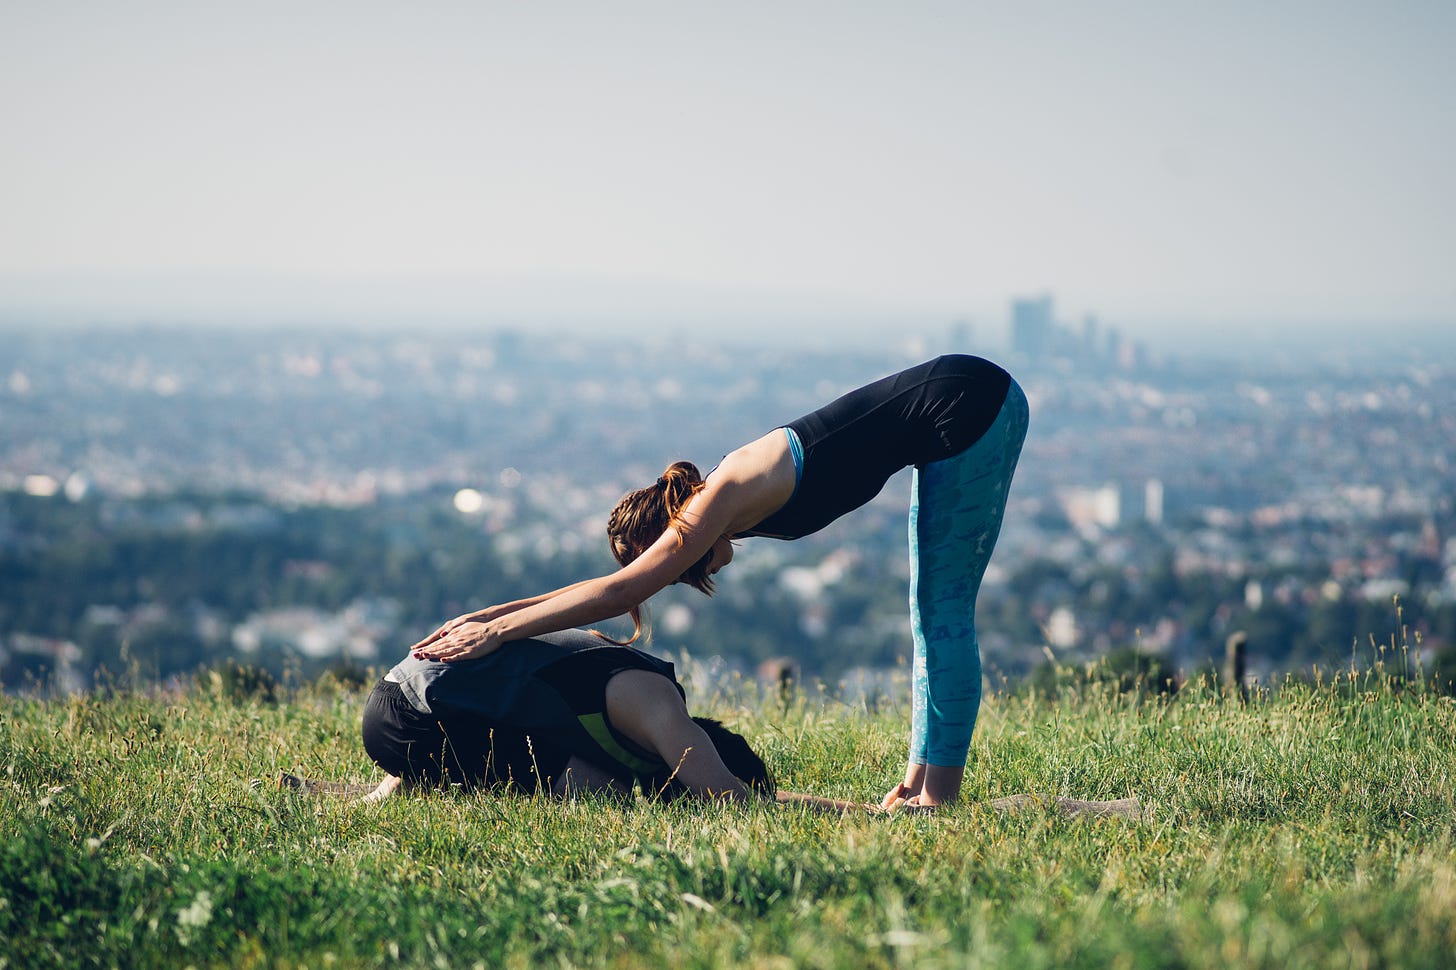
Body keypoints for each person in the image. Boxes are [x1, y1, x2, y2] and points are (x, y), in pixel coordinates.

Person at [411, 355, 1029, 809]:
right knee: (930, 614)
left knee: (943, 612)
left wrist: (497, 632)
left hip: (968, 401)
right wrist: (490, 620)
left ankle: (938, 800)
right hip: (961, 404)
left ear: (670, 531)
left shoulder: (718, 497)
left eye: (671, 568)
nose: (679, 579)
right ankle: (921, 784)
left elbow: (620, 593)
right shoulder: (719, 502)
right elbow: (613, 583)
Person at [364, 627, 774, 803]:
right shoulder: (661, 710)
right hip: (416, 714)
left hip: (402, 699)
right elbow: (735, 802)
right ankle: (372, 795)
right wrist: (839, 810)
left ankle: (344, 795)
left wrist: (839, 808)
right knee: (603, 791)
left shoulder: (640, 705)